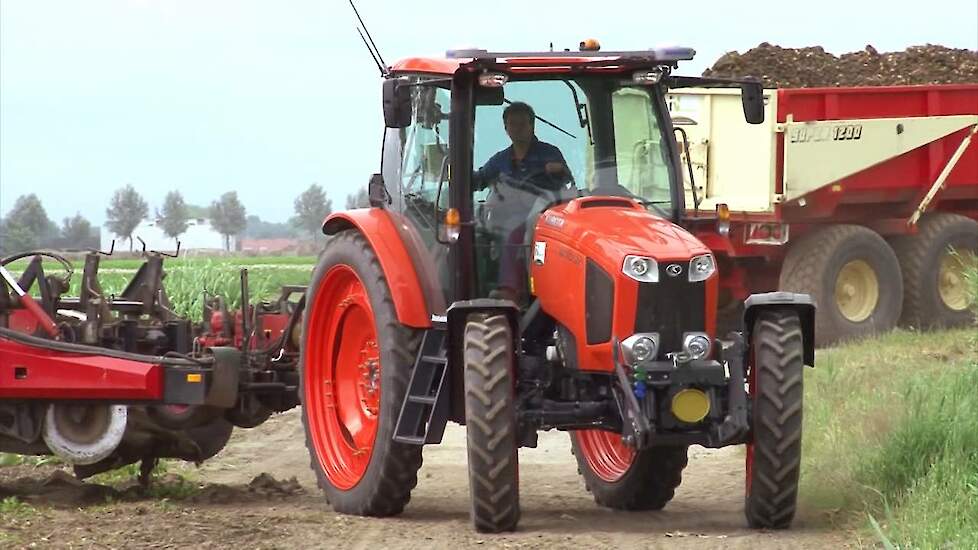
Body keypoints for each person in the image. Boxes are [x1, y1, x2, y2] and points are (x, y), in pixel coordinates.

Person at [476, 102, 570, 303]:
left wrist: (558, 170)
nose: (517, 129)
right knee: (475, 232)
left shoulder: (549, 154)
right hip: (505, 215)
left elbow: (567, 183)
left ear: (532, 126)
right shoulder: (500, 159)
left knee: (514, 232)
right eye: (513, 124)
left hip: (542, 215)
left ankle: (510, 289)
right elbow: (479, 180)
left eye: (522, 124)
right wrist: (455, 172)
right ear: (506, 128)